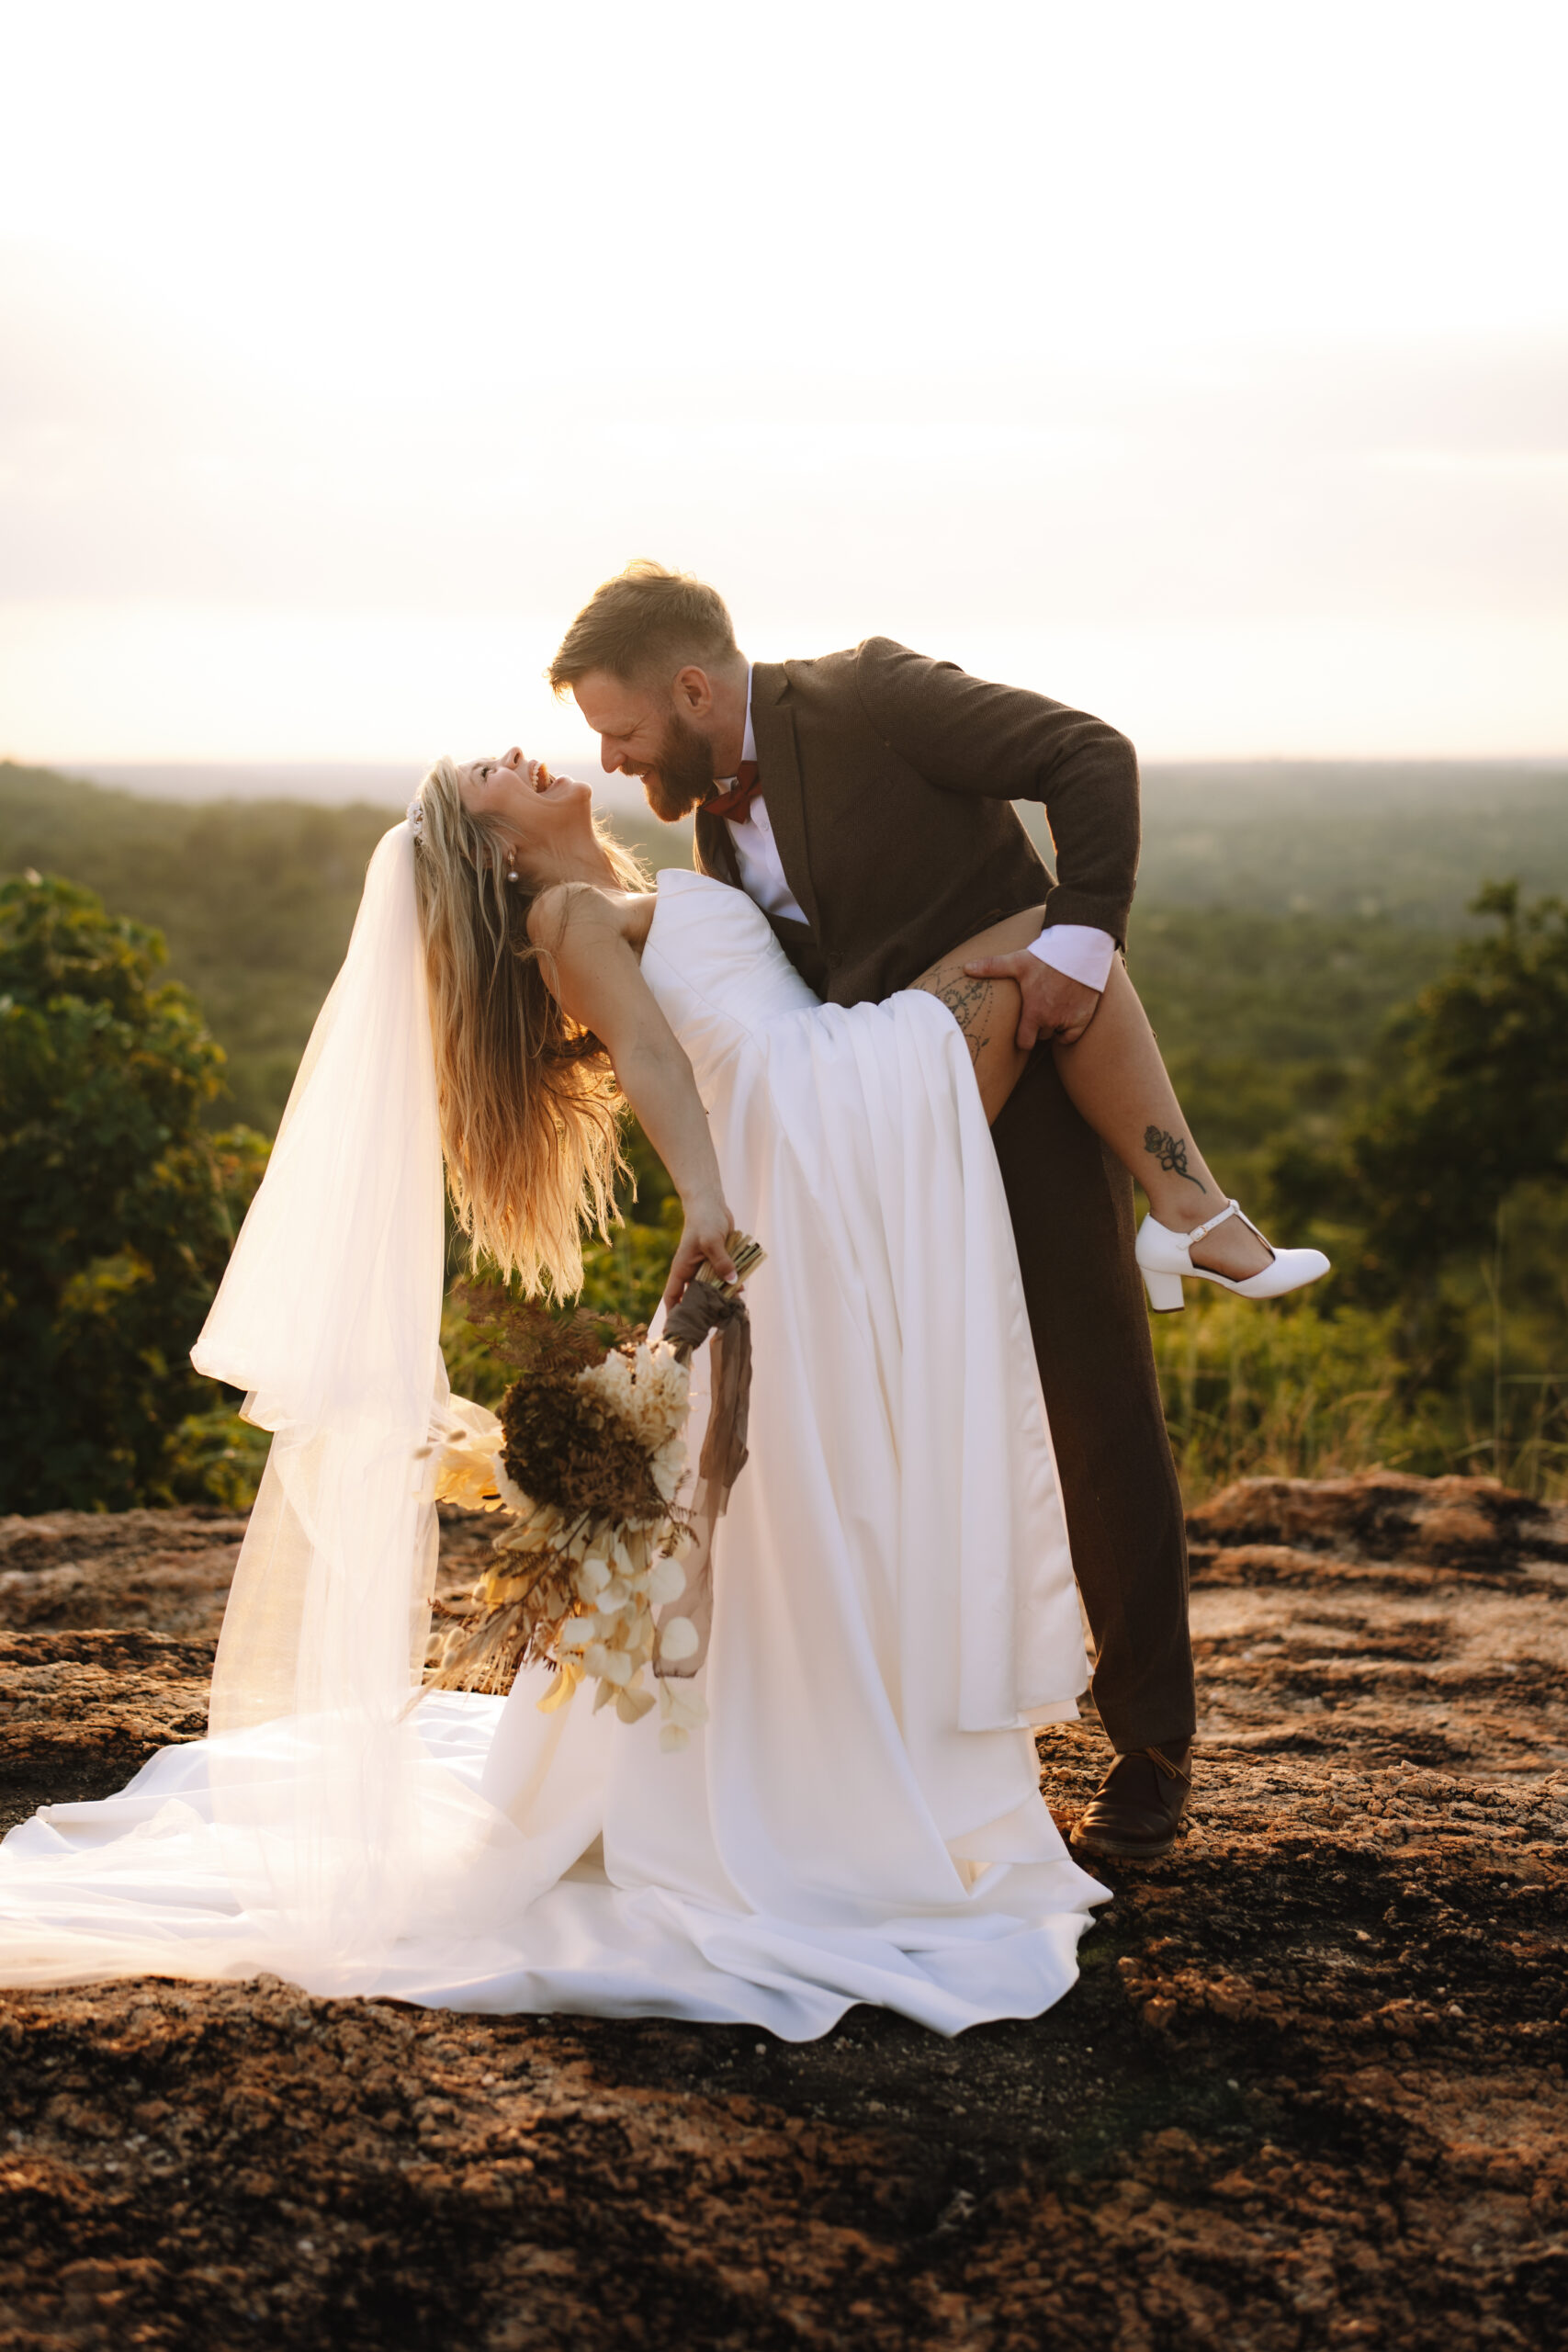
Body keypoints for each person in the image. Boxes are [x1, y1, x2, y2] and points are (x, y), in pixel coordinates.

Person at [0, 726, 1320, 2033]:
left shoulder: (644, 875)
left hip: (816, 1108)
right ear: (490, 844)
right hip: (807, 1132)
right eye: (490, 775)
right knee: (1048, 931)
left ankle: (1181, 1218)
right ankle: (1189, 1210)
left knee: (819, 1472)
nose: (519, 754)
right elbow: (644, 1056)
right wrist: (708, 1206)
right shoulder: (569, 917)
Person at [547, 561, 1326, 1859]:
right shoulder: (707, 835)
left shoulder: (871, 693)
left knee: (1092, 1404)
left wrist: (1082, 941)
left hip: (1015, 1120)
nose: (619, 761)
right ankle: (928, 1733)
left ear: (692, 687)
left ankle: (1149, 1753)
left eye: (623, 731)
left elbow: (1089, 757)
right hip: (870, 1152)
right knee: (903, 1431)